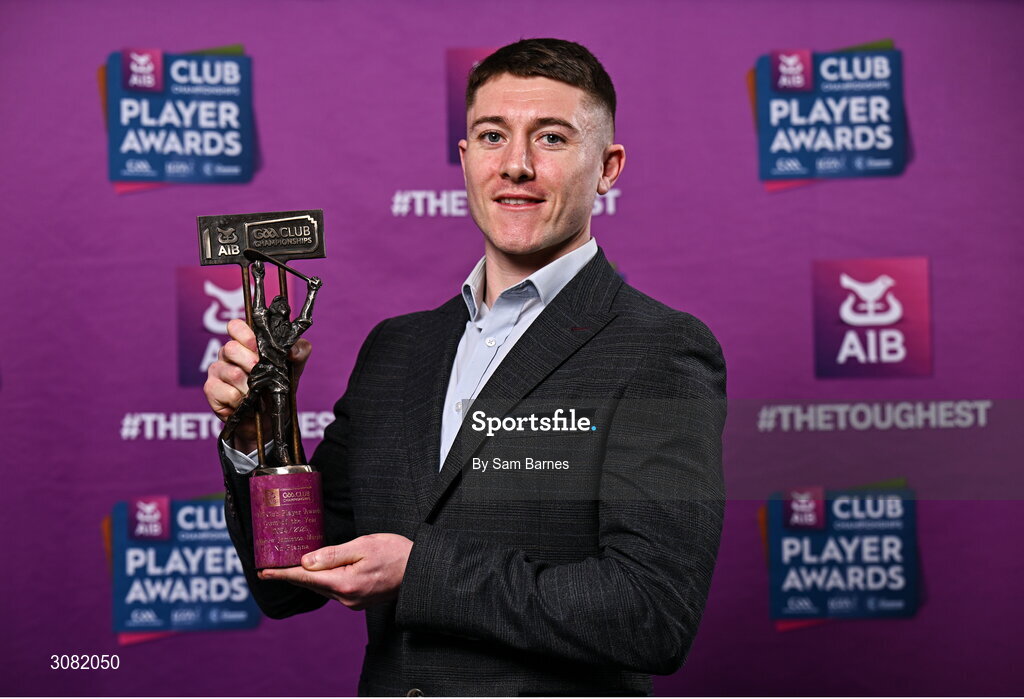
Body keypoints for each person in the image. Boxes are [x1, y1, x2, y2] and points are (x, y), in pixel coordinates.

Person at [205, 38, 726, 696]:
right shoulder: (396, 351)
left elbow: (651, 613)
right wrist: (260, 438)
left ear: (608, 167)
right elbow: (289, 579)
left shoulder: (661, 348)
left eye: (553, 138)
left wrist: (419, 570)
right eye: (491, 135)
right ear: (465, 158)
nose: (515, 165)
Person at [220, 259, 321, 465]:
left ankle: (282, 450)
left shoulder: (290, 330)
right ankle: (233, 424)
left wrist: (312, 292)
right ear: (272, 309)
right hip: (262, 370)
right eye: (277, 302)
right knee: (249, 401)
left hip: (279, 375)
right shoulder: (263, 322)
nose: (281, 303)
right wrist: (259, 278)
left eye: (284, 303)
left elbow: (305, 319)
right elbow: (257, 308)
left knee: (278, 412)